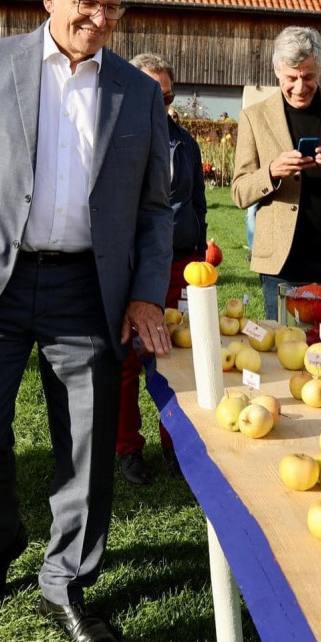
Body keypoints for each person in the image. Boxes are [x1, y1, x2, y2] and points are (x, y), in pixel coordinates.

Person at [0, 0, 173, 642]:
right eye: (86, 1)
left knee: (88, 448)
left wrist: (147, 294)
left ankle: (65, 579)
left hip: (85, 288)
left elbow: (157, 209)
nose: (98, 17)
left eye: (111, 7)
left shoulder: (137, 91)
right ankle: (1, 537)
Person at [231, 26, 321, 320]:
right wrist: (271, 172)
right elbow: (238, 192)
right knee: (284, 351)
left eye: (308, 76)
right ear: (276, 70)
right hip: (281, 262)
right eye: (291, 78)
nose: (300, 87)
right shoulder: (253, 117)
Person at [115, 52, 206, 485]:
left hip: (179, 266)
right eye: (155, 97)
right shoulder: (114, 139)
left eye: (168, 98)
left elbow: (197, 205)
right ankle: (127, 448)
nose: (163, 107)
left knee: (174, 361)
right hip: (130, 267)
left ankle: (175, 444)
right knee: (126, 364)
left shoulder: (185, 142)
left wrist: (198, 259)